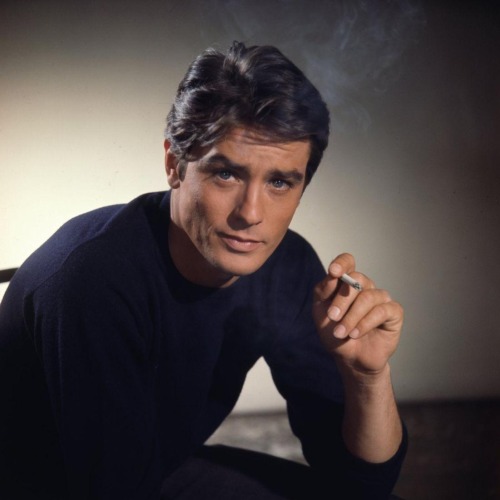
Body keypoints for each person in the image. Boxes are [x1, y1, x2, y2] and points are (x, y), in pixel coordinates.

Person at [0, 41, 407, 499]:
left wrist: (366, 376)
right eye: (226, 174)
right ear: (174, 164)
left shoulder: (286, 267)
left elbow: (363, 486)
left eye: (279, 182)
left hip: (147, 471)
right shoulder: (94, 281)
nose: (251, 214)